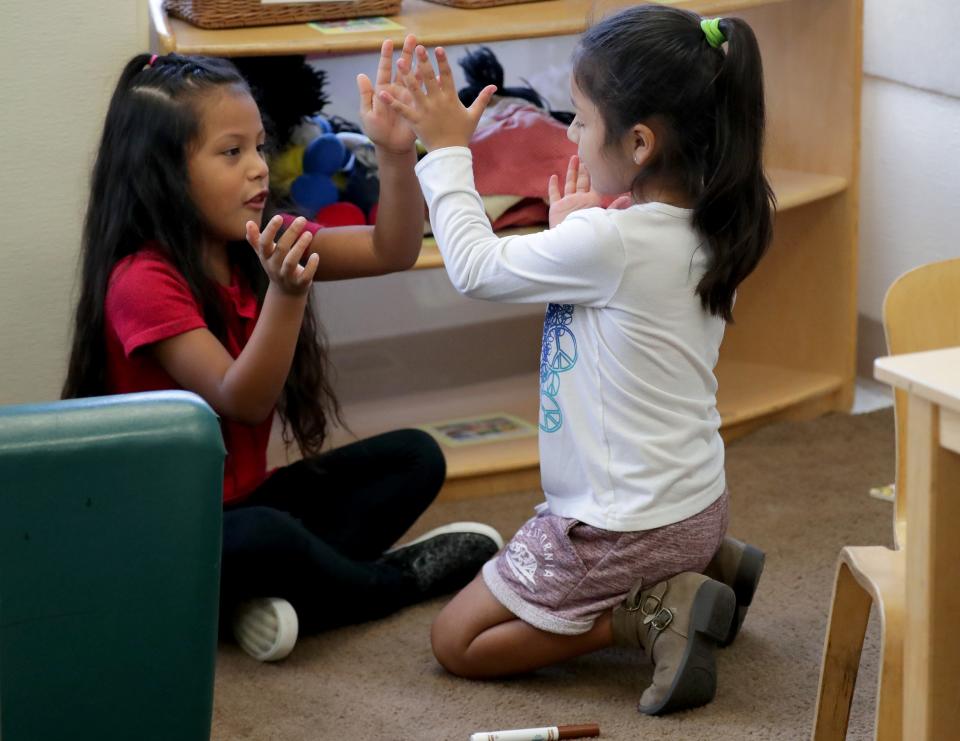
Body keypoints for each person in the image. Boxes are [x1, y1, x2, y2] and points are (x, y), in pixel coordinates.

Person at [378, 5, 770, 715]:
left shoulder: (611, 245)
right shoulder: (714, 223)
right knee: (650, 538)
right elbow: (621, 292)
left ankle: (651, 611)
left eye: (582, 121)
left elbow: (472, 265)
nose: (569, 132)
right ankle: (705, 559)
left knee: (456, 640)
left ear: (641, 142)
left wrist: (445, 150)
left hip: (622, 526)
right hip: (697, 501)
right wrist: (582, 225)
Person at [61, 38, 503, 663]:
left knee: (415, 458)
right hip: (156, 536)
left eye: (260, 146)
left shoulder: (258, 238)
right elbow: (242, 399)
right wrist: (287, 293)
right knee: (265, 537)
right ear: (161, 169)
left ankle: (260, 600)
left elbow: (392, 250)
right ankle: (390, 583)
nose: (259, 167)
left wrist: (396, 152)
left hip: (242, 505)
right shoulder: (141, 280)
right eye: (232, 152)